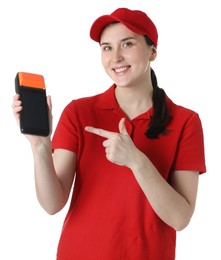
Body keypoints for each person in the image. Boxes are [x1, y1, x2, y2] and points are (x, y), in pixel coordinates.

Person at [12, 7, 206, 260]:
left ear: (153, 51)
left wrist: (137, 162)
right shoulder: (79, 112)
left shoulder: (185, 121)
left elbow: (180, 218)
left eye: (127, 44)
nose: (116, 57)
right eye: (106, 47)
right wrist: (40, 147)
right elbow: (52, 204)